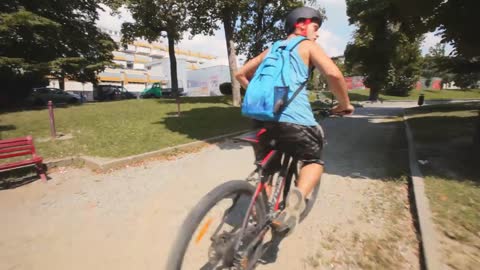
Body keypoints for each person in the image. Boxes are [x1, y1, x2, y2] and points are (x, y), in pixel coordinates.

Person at [235, 6, 354, 234]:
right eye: (315, 27)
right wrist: (345, 104)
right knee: (313, 160)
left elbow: (240, 74)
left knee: (266, 172)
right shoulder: (307, 46)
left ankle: (259, 220)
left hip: (260, 120)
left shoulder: (270, 50)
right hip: (294, 120)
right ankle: (293, 205)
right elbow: (334, 74)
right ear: (301, 24)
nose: (317, 34)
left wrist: (260, 98)